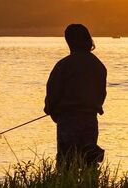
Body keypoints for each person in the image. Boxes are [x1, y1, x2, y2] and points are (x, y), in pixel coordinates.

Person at [44, 23, 107, 167]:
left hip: (68, 121)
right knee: (89, 163)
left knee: (65, 162)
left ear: (70, 42)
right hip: (90, 120)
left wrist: (50, 109)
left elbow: (52, 92)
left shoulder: (64, 65)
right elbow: (101, 94)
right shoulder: (98, 65)